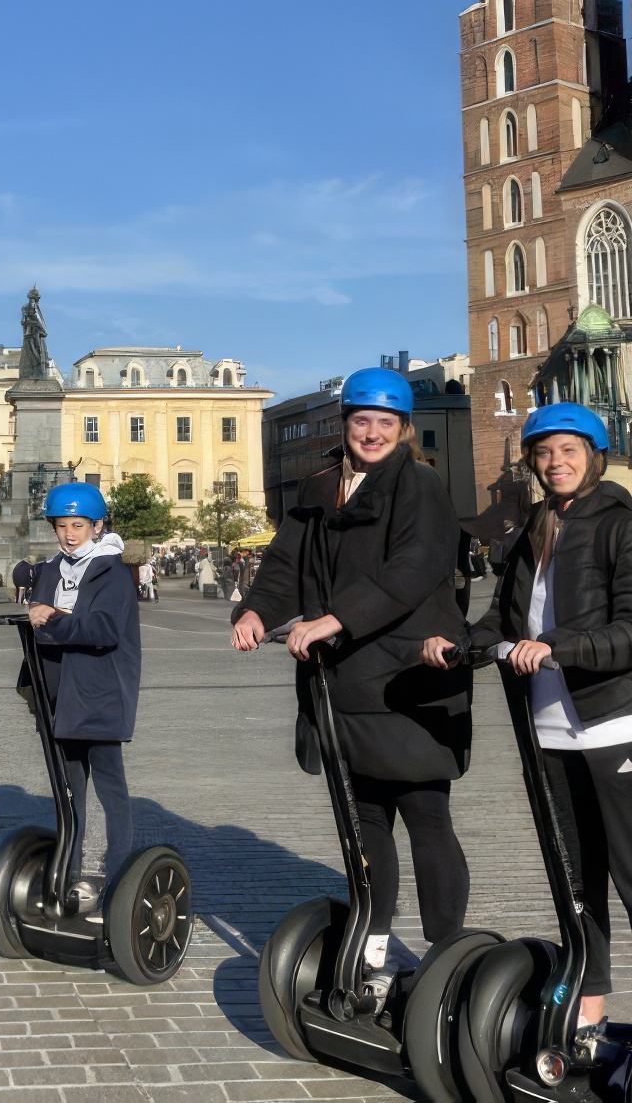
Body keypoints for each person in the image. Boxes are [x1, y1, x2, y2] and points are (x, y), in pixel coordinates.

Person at [232, 367, 472, 1010]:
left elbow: (413, 568)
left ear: (403, 429)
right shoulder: (318, 490)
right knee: (366, 821)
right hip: (343, 682)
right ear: (344, 424)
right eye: (361, 420)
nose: (371, 432)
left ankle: (447, 957)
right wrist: (255, 610)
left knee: (426, 814)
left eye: (384, 423)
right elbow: (284, 565)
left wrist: (335, 619)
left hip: (410, 678)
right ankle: (374, 948)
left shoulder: (419, 485)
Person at [427, 403, 632, 1036]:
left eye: (569, 450)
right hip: (548, 727)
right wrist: (462, 643)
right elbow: (505, 620)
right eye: (544, 453)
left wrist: (557, 647)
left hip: (615, 725)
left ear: (594, 456)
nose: (555, 462)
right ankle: (589, 1012)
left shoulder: (620, 524)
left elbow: (628, 630)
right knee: (575, 877)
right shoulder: (536, 528)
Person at [25, 481, 139, 911]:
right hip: (58, 694)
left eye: (78, 525)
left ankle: (120, 878)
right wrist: (46, 619)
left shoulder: (112, 572)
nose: (69, 534)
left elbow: (104, 628)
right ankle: (67, 876)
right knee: (69, 792)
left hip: (99, 693)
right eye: (62, 525)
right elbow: (38, 625)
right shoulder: (52, 569)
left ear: (97, 526)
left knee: (112, 791)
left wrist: (56, 617)